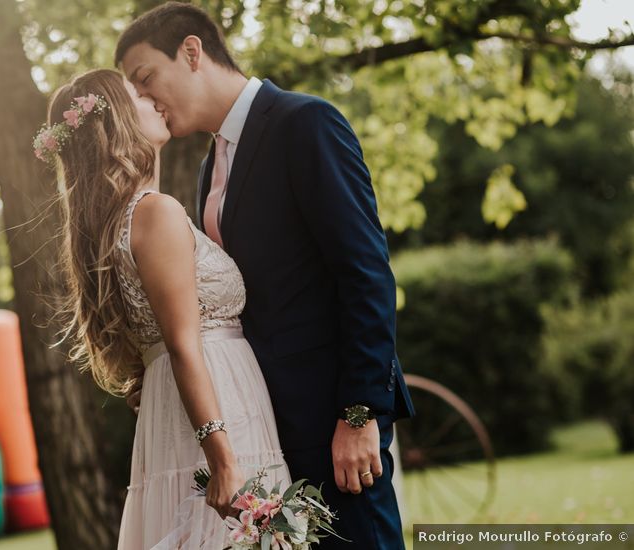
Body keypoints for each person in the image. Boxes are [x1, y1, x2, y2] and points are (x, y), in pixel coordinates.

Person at [114, 3, 415, 548]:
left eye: (145, 78)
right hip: (269, 429)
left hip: (333, 420)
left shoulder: (306, 123)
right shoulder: (210, 169)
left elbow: (365, 274)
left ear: (191, 51)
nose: (146, 98)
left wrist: (359, 414)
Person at [38, 68, 290, 549]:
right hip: (216, 405)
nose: (155, 99)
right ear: (115, 127)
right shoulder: (154, 212)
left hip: (188, 399)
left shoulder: (119, 220)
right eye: (139, 95)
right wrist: (221, 456)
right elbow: (181, 343)